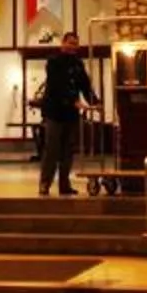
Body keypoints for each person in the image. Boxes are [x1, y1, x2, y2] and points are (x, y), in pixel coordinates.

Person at [36, 31, 101, 197]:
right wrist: (72, 101)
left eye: (75, 44)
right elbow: (57, 85)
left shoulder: (78, 64)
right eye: (70, 43)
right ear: (62, 44)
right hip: (54, 113)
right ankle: (45, 183)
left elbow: (85, 85)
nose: (73, 47)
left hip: (71, 115)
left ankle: (64, 185)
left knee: (68, 151)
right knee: (52, 150)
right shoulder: (53, 62)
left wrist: (95, 102)